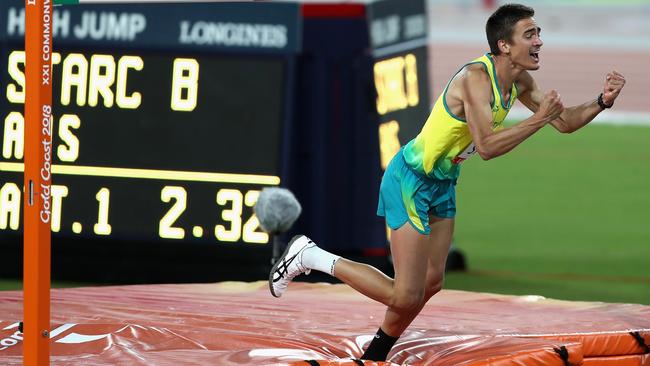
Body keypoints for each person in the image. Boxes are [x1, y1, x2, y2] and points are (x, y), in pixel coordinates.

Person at [269, 3, 626, 362]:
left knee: (431, 283)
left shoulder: (519, 81)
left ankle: (375, 355)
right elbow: (486, 147)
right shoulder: (477, 79)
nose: (539, 42)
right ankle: (310, 255)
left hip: (442, 183)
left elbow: (562, 122)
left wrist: (601, 101)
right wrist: (537, 120)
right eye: (530, 35)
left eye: (539, 34)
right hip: (410, 180)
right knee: (405, 295)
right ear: (504, 45)